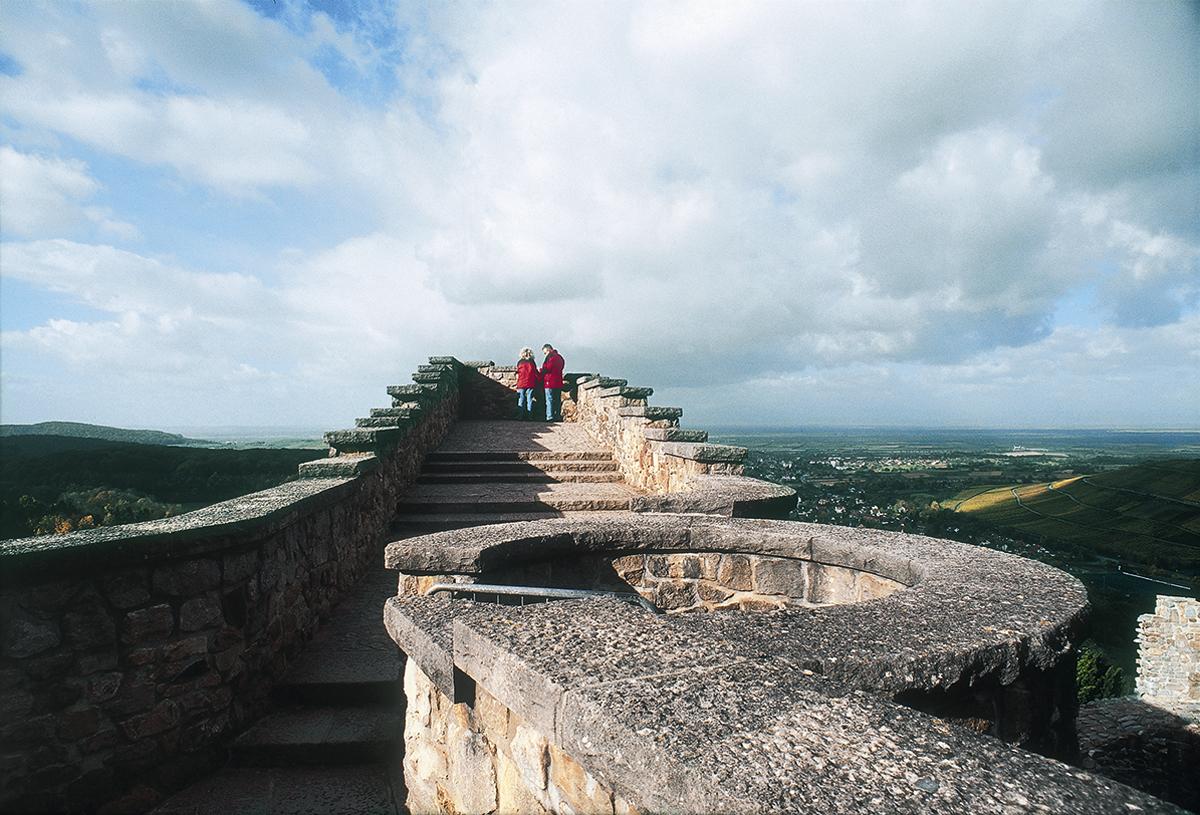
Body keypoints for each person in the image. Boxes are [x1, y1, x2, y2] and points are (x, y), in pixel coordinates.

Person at [540, 343, 565, 422]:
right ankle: (557, 416)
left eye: (545, 352)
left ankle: (549, 416)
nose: (545, 354)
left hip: (549, 381)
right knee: (557, 399)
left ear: (548, 350)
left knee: (549, 399)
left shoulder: (550, 357)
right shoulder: (560, 357)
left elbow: (547, 368)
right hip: (558, 381)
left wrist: (541, 370)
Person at [514, 347, 539, 420]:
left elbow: (518, 371)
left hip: (521, 383)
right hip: (530, 383)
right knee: (529, 399)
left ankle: (520, 416)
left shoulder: (520, 362)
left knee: (521, 399)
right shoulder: (532, 362)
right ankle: (530, 416)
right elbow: (535, 372)